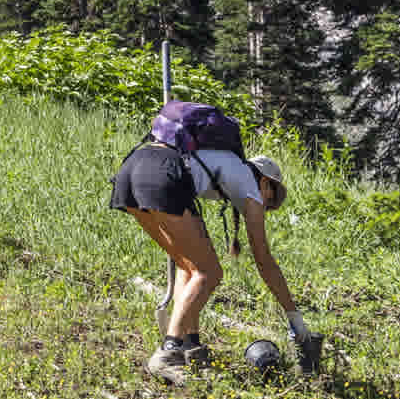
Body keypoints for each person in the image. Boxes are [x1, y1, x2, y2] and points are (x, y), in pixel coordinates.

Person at [111, 128, 321, 380]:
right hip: (163, 174)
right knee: (209, 272)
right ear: (265, 182)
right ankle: (169, 350)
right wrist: (294, 317)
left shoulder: (222, 164)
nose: (266, 207)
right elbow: (264, 262)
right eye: (271, 199)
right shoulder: (249, 184)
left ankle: (191, 347)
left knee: (187, 266)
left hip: (132, 168)